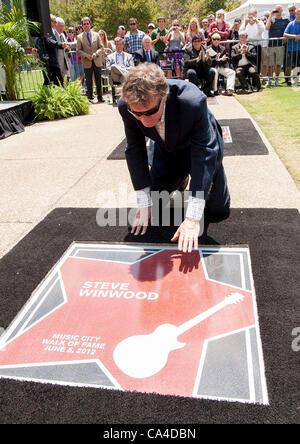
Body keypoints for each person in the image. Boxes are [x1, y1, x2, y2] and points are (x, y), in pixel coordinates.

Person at [118, 63, 230, 253]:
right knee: (155, 207)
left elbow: (204, 153)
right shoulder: (126, 106)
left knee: (217, 211)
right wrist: (144, 202)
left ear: (164, 96)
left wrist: (193, 218)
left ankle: (211, 177)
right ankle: (180, 177)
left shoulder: (192, 101)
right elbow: (135, 149)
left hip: (201, 149)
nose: (144, 120)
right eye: (137, 114)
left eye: (150, 112)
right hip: (167, 150)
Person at [76, 16, 105, 102]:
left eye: (87, 24)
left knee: (98, 79)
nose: (86, 25)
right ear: (82, 26)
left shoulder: (96, 35)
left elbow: (101, 47)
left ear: (90, 24)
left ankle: (100, 96)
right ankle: (90, 97)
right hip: (87, 61)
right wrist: (86, 55)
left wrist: (96, 54)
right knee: (88, 80)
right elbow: (78, 50)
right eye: (84, 24)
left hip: (96, 60)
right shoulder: (79, 37)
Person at [265, 5, 289, 86]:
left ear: (282, 10)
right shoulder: (271, 20)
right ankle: (270, 80)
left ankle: (277, 80)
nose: (278, 11)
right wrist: (270, 15)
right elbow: (267, 27)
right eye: (276, 9)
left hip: (280, 45)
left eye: (279, 9)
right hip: (271, 45)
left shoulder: (285, 20)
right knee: (270, 64)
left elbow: (288, 31)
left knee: (278, 64)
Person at [43, 14, 68, 86]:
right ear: (49, 22)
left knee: (54, 82)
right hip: (49, 62)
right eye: (54, 21)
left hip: (54, 62)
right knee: (54, 82)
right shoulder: (46, 32)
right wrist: (60, 45)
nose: (55, 23)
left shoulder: (51, 31)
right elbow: (50, 42)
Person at [239, 8, 265, 73]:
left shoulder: (259, 22)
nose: (250, 17)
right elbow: (240, 33)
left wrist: (256, 21)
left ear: (256, 15)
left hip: (257, 46)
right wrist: (245, 24)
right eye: (249, 15)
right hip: (248, 46)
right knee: (249, 63)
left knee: (257, 62)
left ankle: (257, 77)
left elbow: (262, 30)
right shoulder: (245, 23)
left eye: (252, 15)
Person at [284, 7, 300, 86]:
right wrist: (294, 36)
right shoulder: (290, 24)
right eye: (297, 14)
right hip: (291, 48)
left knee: (297, 65)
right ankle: (288, 80)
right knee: (289, 65)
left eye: (299, 14)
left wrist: (299, 36)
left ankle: (295, 80)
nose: (298, 15)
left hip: (299, 48)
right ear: (295, 14)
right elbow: (285, 34)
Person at [55, 17, 71, 83]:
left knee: (63, 81)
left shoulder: (63, 35)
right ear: (56, 26)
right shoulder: (53, 35)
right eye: (60, 26)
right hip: (57, 62)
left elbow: (66, 45)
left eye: (63, 26)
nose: (62, 28)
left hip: (64, 62)